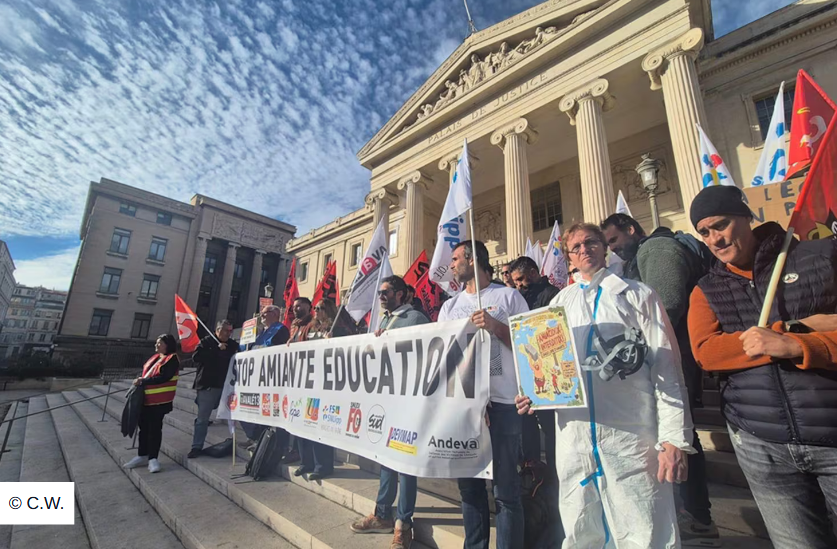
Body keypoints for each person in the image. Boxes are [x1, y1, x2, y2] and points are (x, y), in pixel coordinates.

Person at [516, 222, 694, 548]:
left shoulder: (638, 295)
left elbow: (667, 370)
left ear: (604, 247)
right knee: (581, 527)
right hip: (575, 441)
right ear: (569, 257)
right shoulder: (558, 306)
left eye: (591, 242)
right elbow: (548, 369)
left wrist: (674, 438)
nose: (584, 250)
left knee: (644, 528)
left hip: (630, 438)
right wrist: (534, 395)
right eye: (576, 247)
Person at [687, 185, 837, 549]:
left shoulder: (819, 258)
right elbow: (707, 352)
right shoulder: (706, 289)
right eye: (704, 232)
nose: (714, 239)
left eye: (720, 225)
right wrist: (782, 333)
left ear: (745, 217)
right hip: (760, 442)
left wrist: (797, 343)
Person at [601, 212, 717, 546]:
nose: (612, 249)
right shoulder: (639, 257)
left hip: (669, 362)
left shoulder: (656, 249)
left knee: (680, 436)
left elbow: (665, 306)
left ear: (631, 229)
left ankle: (697, 516)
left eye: (614, 240)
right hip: (663, 361)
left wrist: (630, 349)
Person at [440, 240, 528, 549]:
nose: (452, 265)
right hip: (465, 408)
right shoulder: (449, 307)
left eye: (456, 258)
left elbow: (528, 344)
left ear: (472, 259)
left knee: (506, 492)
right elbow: (444, 359)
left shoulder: (509, 297)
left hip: (504, 404)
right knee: (470, 490)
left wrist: (495, 326)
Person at [351, 275, 429, 549]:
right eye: (380, 292)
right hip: (388, 401)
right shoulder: (383, 321)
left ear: (401, 294)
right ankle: (382, 514)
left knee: (405, 463)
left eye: (386, 292)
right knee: (387, 458)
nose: (381, 296)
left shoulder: (416, 318)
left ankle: (403, 524)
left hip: (409, 401)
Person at [507, 255, 560, 473]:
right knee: (527, 421)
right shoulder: (520, 298)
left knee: (550, 426)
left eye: (521, 279)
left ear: (533, 273)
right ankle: (532, 468)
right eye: (515, 282)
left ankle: (555, 470)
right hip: (527, 366)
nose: (518, 285)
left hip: (548, 367)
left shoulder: (552, 295)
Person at [293, 298, 344, 482]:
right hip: (307, 383)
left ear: (329, 310)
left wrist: (333, 342)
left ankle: (323, 466)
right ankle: (305, 462)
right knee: (303, 425)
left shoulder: (337, 328)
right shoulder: (311, 328)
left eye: (321, 308)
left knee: (320, 427)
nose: (316, 310)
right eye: (315, 308)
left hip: (325, 386)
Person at [124, 334, 180, 473]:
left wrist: (143, 381)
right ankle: (142, 455)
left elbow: (164, 377)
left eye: (159, 343)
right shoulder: (155, 358)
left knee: (154, 429)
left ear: (167, 345)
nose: (156, 345)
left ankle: (153, 458)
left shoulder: (172, 359)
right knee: (143, 429)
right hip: (146, 400)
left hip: (160, 401)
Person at [240, 304, 290, 450]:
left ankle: (262, 442)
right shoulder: (261, 332)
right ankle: (253, 437)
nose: (261, 315)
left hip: (270, 377)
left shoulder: (280, 329)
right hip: (255, 377)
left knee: (265, 410)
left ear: (275, 314)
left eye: (265, 313)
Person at [188, 320, 238, 458]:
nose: (228, 333)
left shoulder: (232, 345)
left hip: (227, 387)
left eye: (230, 331)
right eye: (225, 330)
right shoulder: (206, 342)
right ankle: (196, 447)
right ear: (217, 330)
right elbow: (196, 357)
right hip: (208, 386)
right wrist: (216, 349)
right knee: (202, 419)